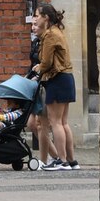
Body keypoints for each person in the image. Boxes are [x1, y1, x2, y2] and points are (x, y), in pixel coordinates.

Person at [32, 4, 79, 170]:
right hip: (66, 78)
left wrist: (38, 68)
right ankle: (71, 161)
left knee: (56, 122)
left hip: (57, 79)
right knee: (63, 122)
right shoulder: (57, 31)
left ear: (46, 17)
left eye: (37, 15)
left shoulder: (50, 34)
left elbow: (46, 62)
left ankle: (62, 161)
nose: (35, 18)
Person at [30, 22, 58, 168]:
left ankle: (46, 159)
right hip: (35, 82)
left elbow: (47, 63)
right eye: (32, 24)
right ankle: (55, 156)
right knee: (33, 124)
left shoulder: (48, 39)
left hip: (44, 82)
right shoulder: (36, 42)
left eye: (36, 23)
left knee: (44, 124)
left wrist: (39, 71)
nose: (33, 27)